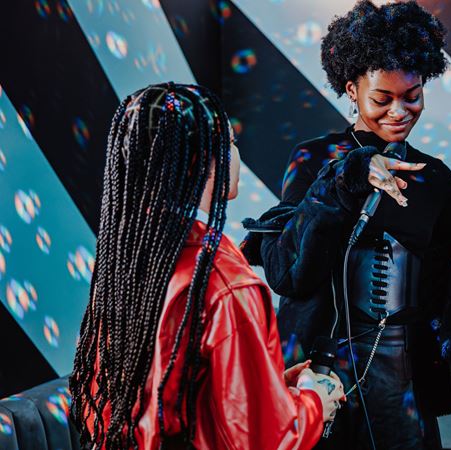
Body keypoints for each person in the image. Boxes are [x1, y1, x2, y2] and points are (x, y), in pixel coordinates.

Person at [242, 1, 451, 448]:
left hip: (403, 394)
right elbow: (289, 271)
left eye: (412, 96)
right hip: (315, 384)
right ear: (352, 89)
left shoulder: (433, 178)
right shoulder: (315, 162)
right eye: (382, 99)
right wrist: (345, 181)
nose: (399, 111)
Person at [69, 83, 344, 450]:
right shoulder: (223, 282)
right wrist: (312, 403)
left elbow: (169, 394)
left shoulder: (129, 261)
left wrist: (273, 387)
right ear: (201, 160)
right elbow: (262, 440)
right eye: (229, 142)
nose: (236, 154)